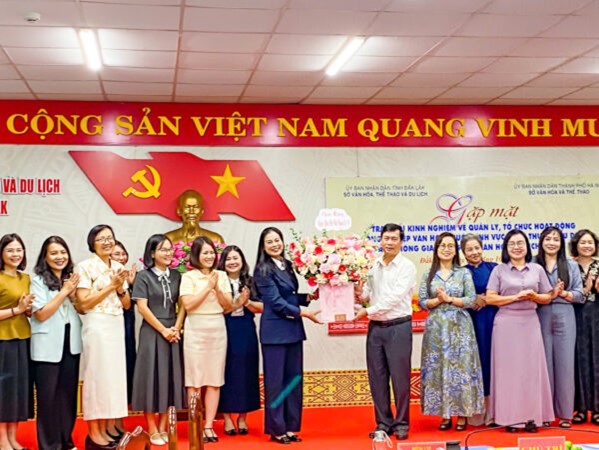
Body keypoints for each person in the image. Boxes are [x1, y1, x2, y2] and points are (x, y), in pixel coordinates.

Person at [253, 227, 320, 445]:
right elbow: (275, 302)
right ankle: (276, 428)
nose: (275, 244)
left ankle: (290, 426)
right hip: (275, 333)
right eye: (269, 242)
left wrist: (309, 297)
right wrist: (304, 313)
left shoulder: (288, 265)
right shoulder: (262, 270)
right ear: (263, 247)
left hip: (293, 331)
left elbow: (289, 296)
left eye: (277, 240)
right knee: (275, 383)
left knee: (293, 381)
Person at [485, 230, 554, 432]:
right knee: (507, 373)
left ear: (527, 246)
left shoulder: (537, 269)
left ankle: (532, 418)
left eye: (520, 243)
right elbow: (490, 298)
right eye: (512, 244)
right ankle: (508, 419)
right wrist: (515, 297)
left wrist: (534, 297)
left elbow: (547, 297)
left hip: (530, 322)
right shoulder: (498, 270)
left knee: (531, 372)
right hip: (505, 324)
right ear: (506, 248)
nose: (517, 247)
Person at [354, 223, 417, 441]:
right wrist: (356, 292)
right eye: (386, 238)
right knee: (377, 378)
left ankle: (401, 423)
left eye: (394, 239)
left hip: (398, 327)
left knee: (400, 379)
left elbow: (394, 298)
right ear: (380, 240)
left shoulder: (407, 267)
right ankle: (383, 422)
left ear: (401, 241)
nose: (389, 243)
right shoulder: (373, 264)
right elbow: (367, 294)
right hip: (375, 328)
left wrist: (368, 311)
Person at [418, 232, 483, 432]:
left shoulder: (463, 273)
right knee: (439, 368)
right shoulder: (429, 274)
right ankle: (444, 414)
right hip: (437, 329)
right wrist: (437, 300)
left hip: (460, 327)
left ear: (456, 251)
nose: (446, 249)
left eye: (450, 246)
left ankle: (462, 414)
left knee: (461, 370)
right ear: (436, 249)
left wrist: (450, 299)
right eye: (442, 246)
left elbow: (471, 299)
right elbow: (422, 302)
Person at [75, 225, 131, 450]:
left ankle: (108, 427)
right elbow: (84, 302)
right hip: (97, 324)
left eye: (110, 238)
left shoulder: (118, 267)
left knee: (113, 379)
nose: (107, 242)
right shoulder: (84, 267)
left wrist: (120, 289)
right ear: (92, 243)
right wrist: (111, 286)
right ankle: (94, 433)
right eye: (101, 239)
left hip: (116, 323)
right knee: (97, 378)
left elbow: (126, 304)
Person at [131, 234, 186, 446]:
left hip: (173, 331)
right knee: (150, 378)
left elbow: (182, 305)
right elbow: (142, 307)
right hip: (152, 331)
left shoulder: (177, 275)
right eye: (163, 249)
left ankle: (163, 426)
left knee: (169, 379)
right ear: (152, 253)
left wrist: (176, 328)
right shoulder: (143, 276)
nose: (168, 253)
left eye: (170, 249)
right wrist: (163, 330)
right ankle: (152, 428)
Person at [30, 236, 81, 450]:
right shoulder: (37, 280)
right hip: (47, 345)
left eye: (63, 252)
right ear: (45, 257)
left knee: (68, 396)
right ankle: (49, 445)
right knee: (48, 398)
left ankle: (65, 440)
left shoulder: (72, 278)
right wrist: (65, 292)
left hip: (71, 342)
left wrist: (74, 295)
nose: (59, 257)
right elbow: (41, 314)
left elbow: (81, 309)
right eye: (54, 253)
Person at [180, 236, 233, 443]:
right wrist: (207, 287)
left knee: (214, 380)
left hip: (217, 327)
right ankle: (195, 424)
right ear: (196, 255)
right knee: (194, 381)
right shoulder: (188, 277)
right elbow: (189, 305)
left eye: (212, 252)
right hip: (195, 327)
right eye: (205, 253)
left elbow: (228, 305)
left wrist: (217, 287)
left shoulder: (222, 275)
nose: (209, 256)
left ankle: (209, 425)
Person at [535, 226, 583, 428]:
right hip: (540, 314)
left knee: (565, 364)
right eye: (548, 239)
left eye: (556, 239)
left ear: (561, 243)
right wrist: (547, 295)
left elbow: (580, 294)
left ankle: (565, 414)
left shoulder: (570, 265)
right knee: (543, 364)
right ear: (541, 242)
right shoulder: (533, 264)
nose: (552, 243)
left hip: (565, 313)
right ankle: (545, 413)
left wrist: (563, 294)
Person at [217, 245, 263, 436]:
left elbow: (262, 307)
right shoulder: (218, 281)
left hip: (246, 329)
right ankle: (227, 417)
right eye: (228, 259)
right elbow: (219, 309)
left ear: (242, 261)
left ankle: (243, 417)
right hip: (224, 328)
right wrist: (237, 303)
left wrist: (247, 302)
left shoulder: (250, 281)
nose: (232, 262)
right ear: (223, 263)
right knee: (226, 371)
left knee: (246, 371)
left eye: (236, 258)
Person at [0, 234, 34, 450]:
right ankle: (2, 440)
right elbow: (17, 309)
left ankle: (13, 438)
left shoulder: (26, 278)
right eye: (10, 250)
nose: (15, 254)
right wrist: (17, 310)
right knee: (3, 391)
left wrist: (28, 309)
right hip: (3, 340)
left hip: (23, 338)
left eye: (19, 250)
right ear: (2, 253)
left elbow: (27, 311)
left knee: (17, 391)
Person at [461, 233, 498, 425]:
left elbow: (503, 290)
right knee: (475, 363)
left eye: (477, 248)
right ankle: (475, 412)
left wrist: (485, 298)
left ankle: (495, 412)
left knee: (493, 362)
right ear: (463, 252)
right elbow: (457, 295)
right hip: (470, 322)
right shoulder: (460, 272)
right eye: (469, 249)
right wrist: (473, 299)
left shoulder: (494, 268)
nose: (474, 252)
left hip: (493, 320)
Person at [570, 229, 599, 425]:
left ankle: (597, 409)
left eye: (590, 242)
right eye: (583, 242)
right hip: (575, 315)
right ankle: (580, 408)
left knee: (597, 360)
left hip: (596, 316)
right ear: (576, 245)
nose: (587, 246)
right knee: (578, 361)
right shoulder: (569, 265)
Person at [111, 241, 137, 409]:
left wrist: (132, 284)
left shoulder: (129, 276)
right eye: (117, 254)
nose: (121, 258)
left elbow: (131, 304)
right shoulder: (103, 274)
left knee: (127, 355)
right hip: (110, 321)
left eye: (123, 254)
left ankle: (127, 400)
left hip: (126, 320)